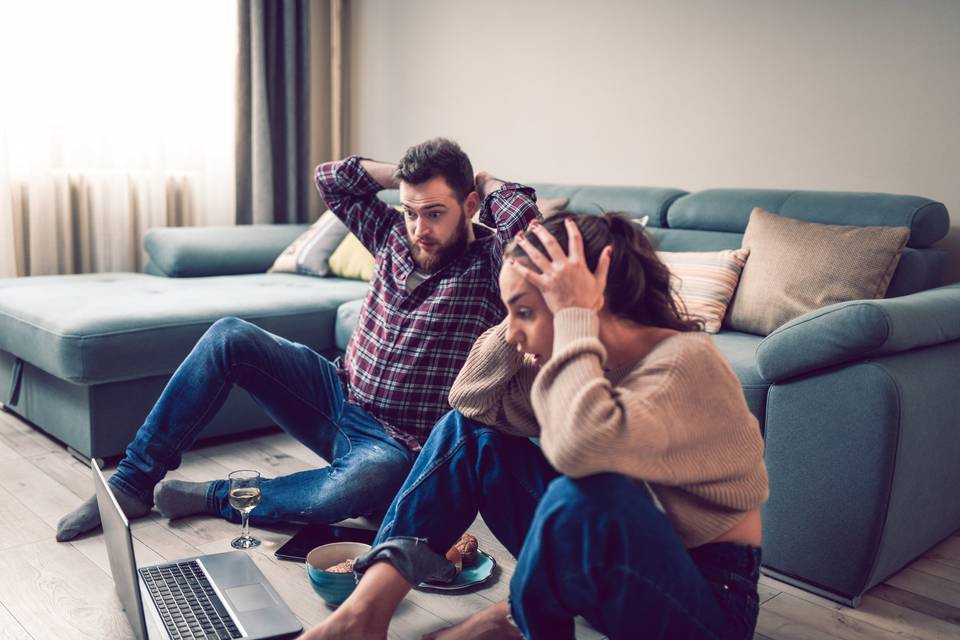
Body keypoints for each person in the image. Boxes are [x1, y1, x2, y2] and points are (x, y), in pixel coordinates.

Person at [298, 213, 769, 640]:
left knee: (583, 492)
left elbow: (579, 452)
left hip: (709, 599)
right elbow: (468, 403)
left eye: (523, 312)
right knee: (470, 435)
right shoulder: (587, 362)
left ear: (586, 301)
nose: (512, 332)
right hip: (606, 561)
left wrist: (572, 318)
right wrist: (527, 306)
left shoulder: (686, 363)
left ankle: (503, 623)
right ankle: (364, 612)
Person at [55, 138, 540, 542]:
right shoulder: (394, 233)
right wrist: (403, 177)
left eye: (435, 213)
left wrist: (487, 182)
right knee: (230, 336)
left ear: (470, 206)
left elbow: (532, 231)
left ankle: (215, 496)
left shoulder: (493, 261)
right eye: (411, 211)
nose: (420, 229)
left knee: (363, 484)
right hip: (335, 392)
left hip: (396, 445)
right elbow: (331, 179)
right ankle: (133, 483)